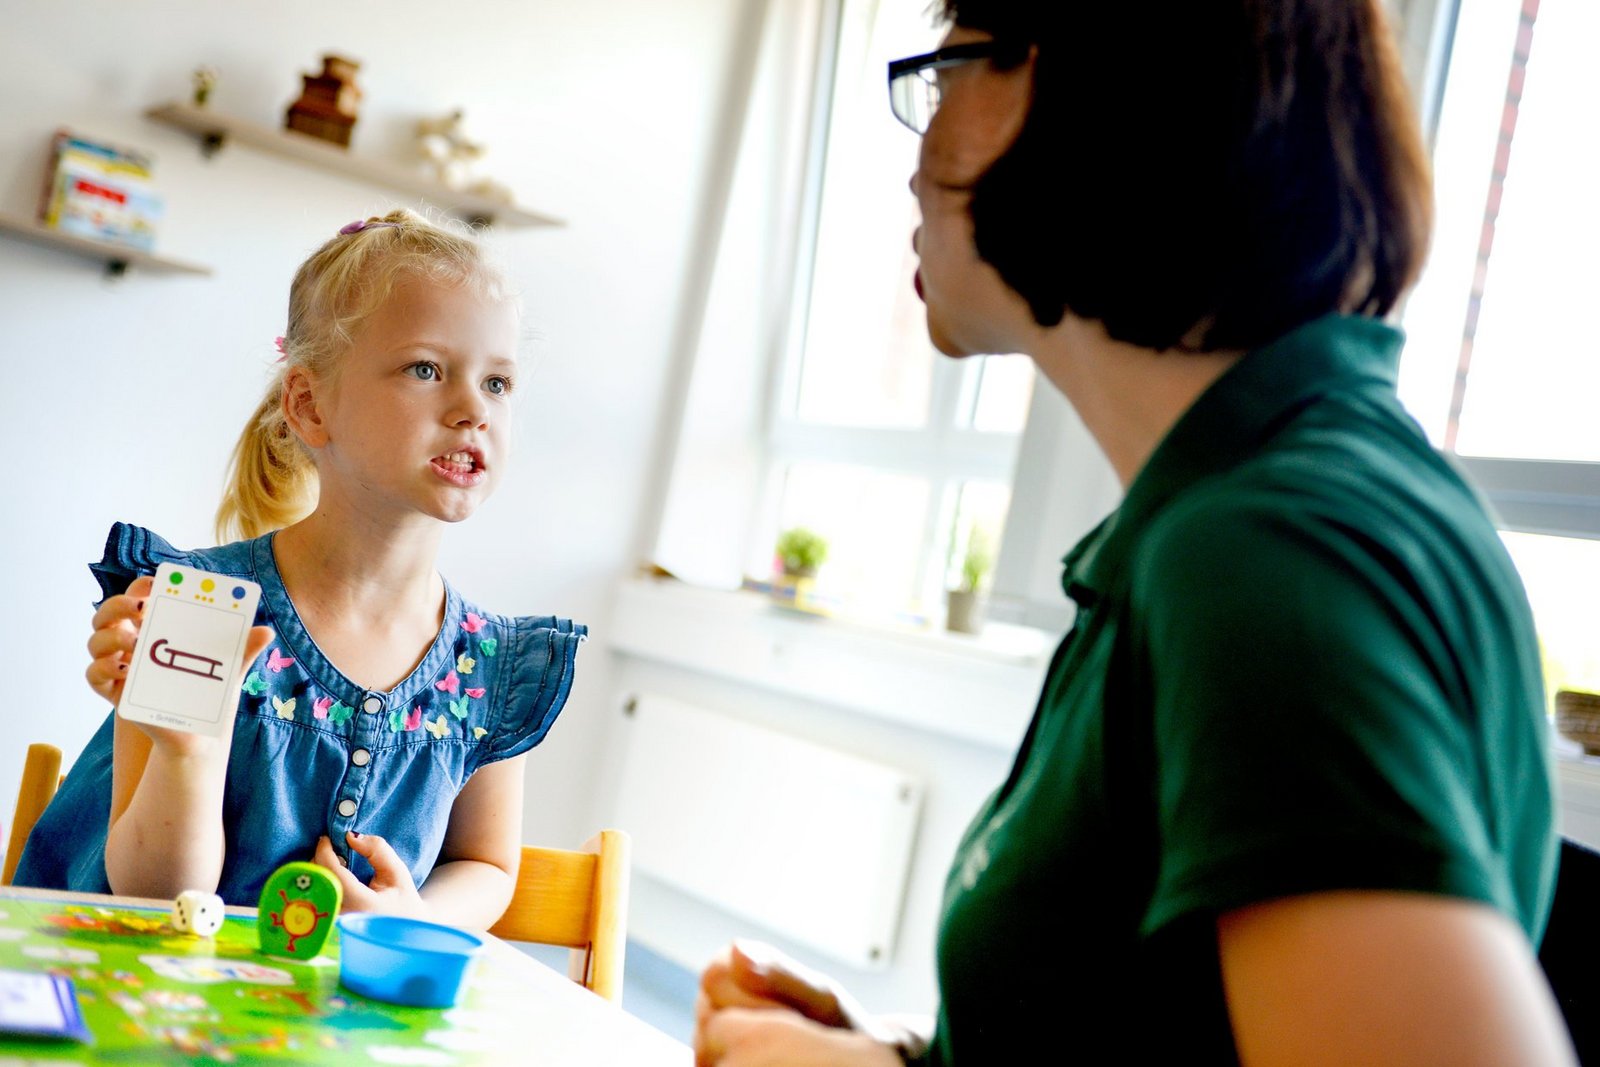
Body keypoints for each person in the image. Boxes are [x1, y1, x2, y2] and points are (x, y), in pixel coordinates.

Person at [695, 1, 1577, 1063]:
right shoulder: (1240, 512)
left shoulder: (1273, 550)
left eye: (950, 70)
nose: (915, 160)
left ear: (1084, 88)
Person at [15, 209, 585, 930]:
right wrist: (189, 754)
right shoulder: (197, 608)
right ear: (311, 406)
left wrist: (415, 914)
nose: (474, 408)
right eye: (426, 369)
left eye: (498, 383)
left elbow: (487, 863)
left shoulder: (495, 667)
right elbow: (154, 896)